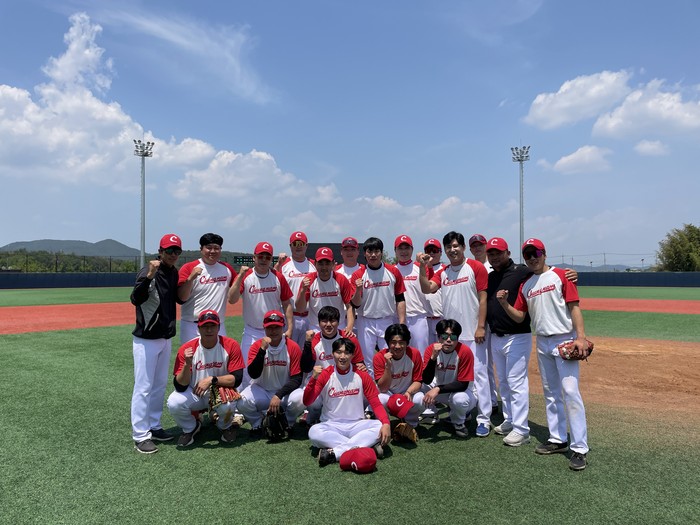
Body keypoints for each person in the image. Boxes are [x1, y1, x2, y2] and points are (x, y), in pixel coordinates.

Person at [496, 238, 591, 471]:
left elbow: (574, 307)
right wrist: (505, 304)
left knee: (570, 392)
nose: (532, 258)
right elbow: (520, 316)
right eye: (528, 255)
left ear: (544, 254)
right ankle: (558, 439)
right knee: (551, 392)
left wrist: (580, 337)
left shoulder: (561, 275)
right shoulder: (526, 284)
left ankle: (580, 448)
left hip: (564, 339)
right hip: (542, 341)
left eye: (535, 253)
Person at [418, 231, 488, 436]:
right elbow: (427, 288)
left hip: (473, 334)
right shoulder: (443, 272)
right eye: (448, 247)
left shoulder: (475, 267)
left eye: (456, 246)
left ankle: (483, 419)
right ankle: (460, 413)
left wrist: (480, 326)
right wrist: (422, 267)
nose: (452, 250)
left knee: (480, 377)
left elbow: (483, 299)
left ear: (463, 247)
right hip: (452, 336)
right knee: (451, 375)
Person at [130, 234, 184, 454]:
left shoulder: (173, 272)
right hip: (146, 339)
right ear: (160, 251)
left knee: (159, 384)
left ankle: (154, 425)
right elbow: (136, 298)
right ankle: (140, 435)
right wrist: (149, 275)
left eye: (176, 251)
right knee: (143, 387)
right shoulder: (148, 270)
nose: (172, 255)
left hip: (164, 337)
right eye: (169, 251)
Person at [303, 337, 392, 467]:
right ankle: (365, 446)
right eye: (339, 352)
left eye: (347, 353)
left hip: (357, 424)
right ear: (332, 354)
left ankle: (335, 453)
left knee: (379, 426)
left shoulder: (362, 375)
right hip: (331, 425)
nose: (342, 356)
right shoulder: (325, 374)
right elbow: (307, 401)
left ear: (353, 355)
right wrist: (313, 379)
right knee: (314, 432)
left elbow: (376, 403)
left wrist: (386, 423)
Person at [167, 310, 244, 447]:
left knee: (228, 405)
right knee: (174, 402)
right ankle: (191, 427)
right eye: (205, 326)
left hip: (219, 392)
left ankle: (224, 426)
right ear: (198, 328)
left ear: (219, 327)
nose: (209, 330)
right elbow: (180, 386)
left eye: (212, 326)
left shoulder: (231, 345)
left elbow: (237, 379)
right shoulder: (187, 349)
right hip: (195, 392)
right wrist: (187, 364)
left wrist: (211, 380)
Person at [228, 241, 294, 391]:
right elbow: (231, 299)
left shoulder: (278, 277)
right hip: (252, 331)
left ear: (271, 259)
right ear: (254, 257)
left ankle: (275, 398)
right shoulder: (246, 276)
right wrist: (240, 276)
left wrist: (290, 328)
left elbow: (287, 303)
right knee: (248, 369)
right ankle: (246, 400)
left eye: (267, 257)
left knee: (276, 367)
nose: (264, 260)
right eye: (260, 256)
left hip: (275, 331)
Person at [237, 310, 305, 435]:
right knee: (242, 402)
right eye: (270, 327)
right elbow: (253, 374)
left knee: (301, 397)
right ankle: (257, 423)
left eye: (277, 327)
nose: (273, 331)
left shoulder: (292, 346)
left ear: (283, 327)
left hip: (284, 394)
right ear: (264, 328)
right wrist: (262, 350)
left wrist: (278, 395)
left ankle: (288, 422)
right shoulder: (256, 346)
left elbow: (297, 378)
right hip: (262, 391)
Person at [350, 237, 406, 376]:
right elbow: (355, 304)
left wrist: (402, 323)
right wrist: (358, 289)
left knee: (390, 356)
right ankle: (371, 387)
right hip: (365, 321)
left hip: (387, 320)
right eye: (370, 251)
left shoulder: (393, 271)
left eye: (376, 251)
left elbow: (400, 298)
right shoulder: (358, 275)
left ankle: (391, 386)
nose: (373, 255)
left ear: (381, 252)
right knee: (367, 360)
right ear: (365, 254)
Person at [301, 306, 366, 423]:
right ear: (319, 323)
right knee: (311, 400)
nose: (328, 324)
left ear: (339, 322)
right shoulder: (314, 341)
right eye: (324, 321)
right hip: (321, 382)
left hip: (344, 381)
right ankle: (313, 418)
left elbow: (359, 363)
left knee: (366, 389)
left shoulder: (349, 338)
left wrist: (361, 367)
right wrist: (307, 343)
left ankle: (357, 416)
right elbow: (305, 367)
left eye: (332, 321)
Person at [420, 319, 477, 438]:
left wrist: (438, 389)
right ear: (438, 336)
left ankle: (459, 422)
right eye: (445, 336)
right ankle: (431, 413)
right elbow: (426, 379)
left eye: (453, 336)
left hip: (463, 392)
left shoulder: (465, 351)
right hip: (442, 387)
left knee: (459, 400)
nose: (449, 340)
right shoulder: (431, 349)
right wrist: (433, 358)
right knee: (419, 385)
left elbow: (463, 384)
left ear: (458, 338)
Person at [178, 233, 237, 343]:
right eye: (209, 247)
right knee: (191, 354)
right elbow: (181, 297)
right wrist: (190, 279)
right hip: (192, 326)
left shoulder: (227, 268)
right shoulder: (189, 268)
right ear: (201, 249)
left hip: (218, 325)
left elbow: (237, 290)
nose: (213, 251)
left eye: (216, 248)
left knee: (220, 354)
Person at [372, 323, 424, 444]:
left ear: (407, 343)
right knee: (379, 399)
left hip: (407, 392)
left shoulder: (414, 354)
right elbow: (383, 388)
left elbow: (418, 381)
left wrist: (409, 392)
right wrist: (388, 367)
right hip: (389, 394)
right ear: (387, 343)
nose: (397, 346)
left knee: (420, 399)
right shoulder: (379, 357)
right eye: (393, 342)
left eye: (401, 342)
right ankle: (384, 425)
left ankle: (411, 423)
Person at [296, 247, 355, 332]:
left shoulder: (341, 279)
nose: (324, 267)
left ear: (333, 264)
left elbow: (349, 306)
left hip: (338, 326)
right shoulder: (309, 280)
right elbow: (300, 309)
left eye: (327, 263)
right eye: (320, 263)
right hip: (316, 327)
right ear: (315, 264)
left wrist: (349, 327)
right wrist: (302, 291)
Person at [276, 231, 317, 349]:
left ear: (306, 246)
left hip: (310, 316)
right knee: (289, 351)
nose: (298, 247)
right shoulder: (284, 265)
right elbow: (273, 279)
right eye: (295, 244)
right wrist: (278, 264)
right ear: (290, 246)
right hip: (290, 316)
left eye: (301, 244)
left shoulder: (314, 265)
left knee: (309, 352)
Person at [394, 235, 433, 353]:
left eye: (407, 248)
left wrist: (426, 264)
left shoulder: (421, 267)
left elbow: (431, 283)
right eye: (400, 248)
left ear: (412, 249)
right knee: (399, 354)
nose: (404, 251)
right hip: (397, 318)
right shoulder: (391, 270)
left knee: (421, 354)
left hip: (418, 317)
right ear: (395, 251)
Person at [423, 238, 444, 345]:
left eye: (434, 250)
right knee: (426, 351)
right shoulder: (420, 269)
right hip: (424, 319)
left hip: (441, 318)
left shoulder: (446, 269)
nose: (431, 253)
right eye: (428, 250)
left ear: (440, 252)